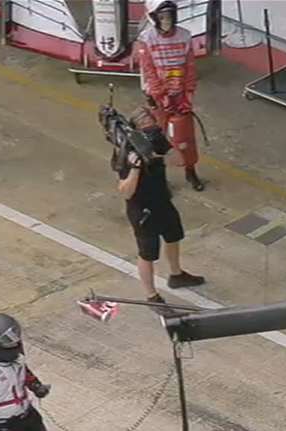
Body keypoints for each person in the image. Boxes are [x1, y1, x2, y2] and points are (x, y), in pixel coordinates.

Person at [115, 120, 204, 304]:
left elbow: (179, 160)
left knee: (173, 237)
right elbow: (126, 191)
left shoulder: (157, 141)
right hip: (142, 211)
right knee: (147, 254)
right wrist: (136, 169)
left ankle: (176, 274)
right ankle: (151, 295)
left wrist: (159, 156)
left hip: (162, 201)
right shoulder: (127, 154)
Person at [133, 0, 204, 192]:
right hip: (157, 98)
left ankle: (190, 170)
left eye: (170, 16)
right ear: (153, 18)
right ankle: (160, 177)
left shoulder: (185, 36)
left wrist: (187, 95)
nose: (167, 21)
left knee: (185, 135)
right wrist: (160, 97)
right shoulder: (146, 40)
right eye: (162, 17)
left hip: (180, 95)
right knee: (157, 138)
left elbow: (190, 68)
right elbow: (149, 72)